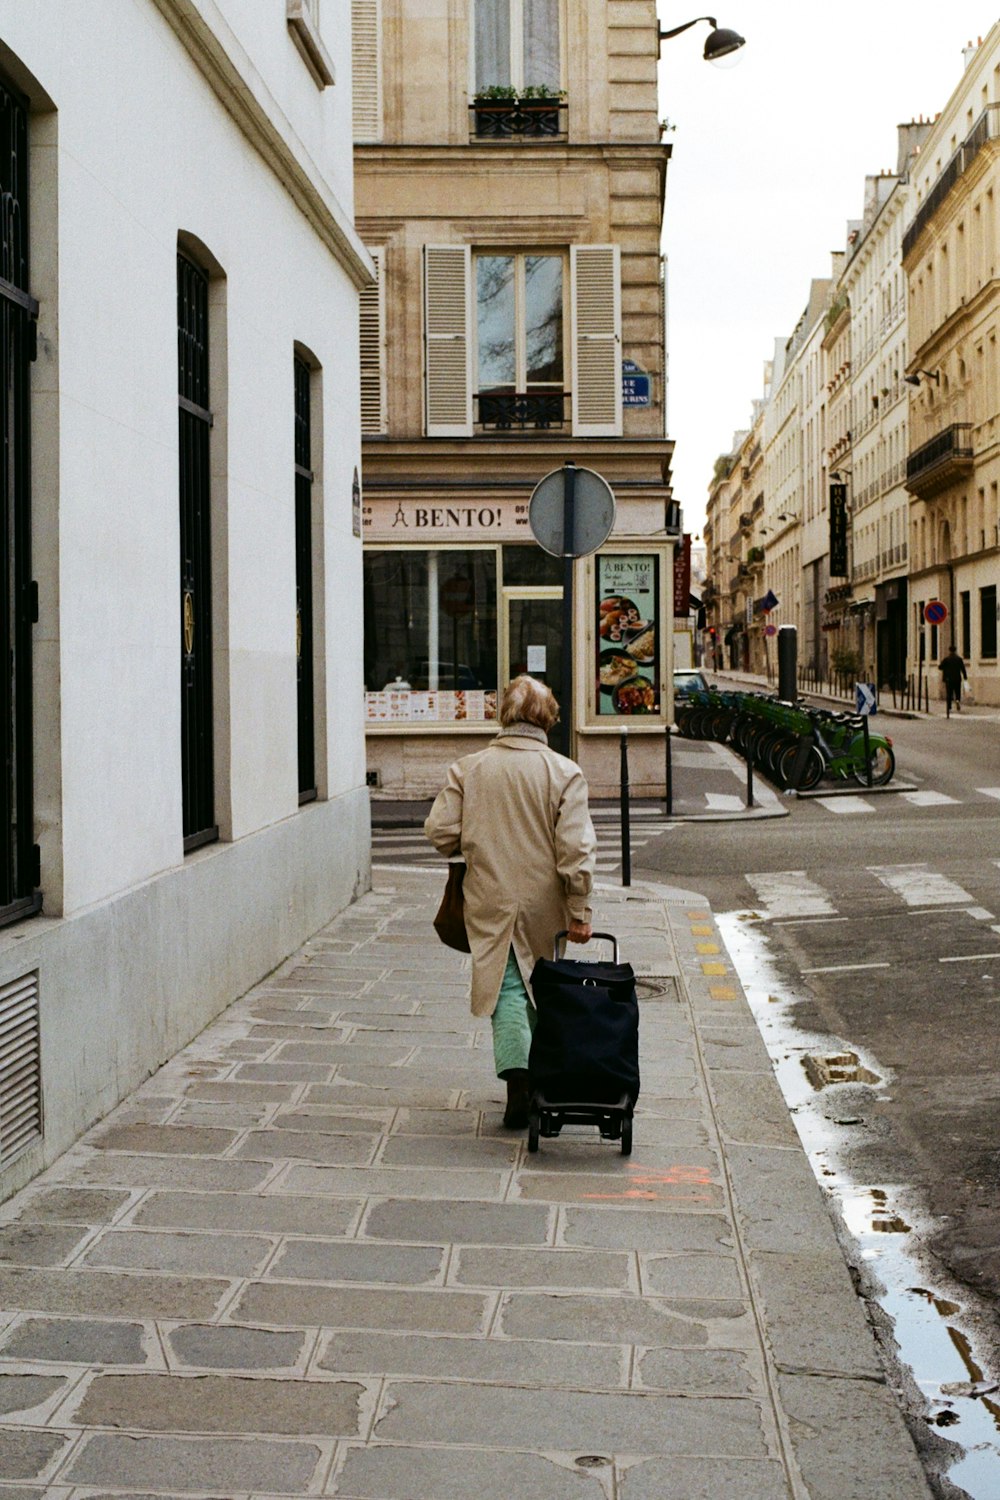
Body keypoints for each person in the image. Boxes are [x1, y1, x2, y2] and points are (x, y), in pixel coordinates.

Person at [424, 675, 597, 1128]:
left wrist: (475, 846)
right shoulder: (564, 773)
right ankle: (539, 1077)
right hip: (545, 903)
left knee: (507, 989)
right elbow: (576, 851)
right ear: (548, 720)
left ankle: (518, 1083)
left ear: (504, 716)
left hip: (490, 898)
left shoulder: (469, 768)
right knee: (542, 987)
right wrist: (579, 911)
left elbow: (440, 831)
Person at [938, 644, 967, 717]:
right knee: (957, 691)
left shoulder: (946, 659)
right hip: (957, 678)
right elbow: (963, 668)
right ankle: (957, 700)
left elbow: (940, 667)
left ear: (949, 651)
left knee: (949, 693)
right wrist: (965, 676)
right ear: (955, 650)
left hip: (949, 679)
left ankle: (949, 706)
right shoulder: (959, 659)